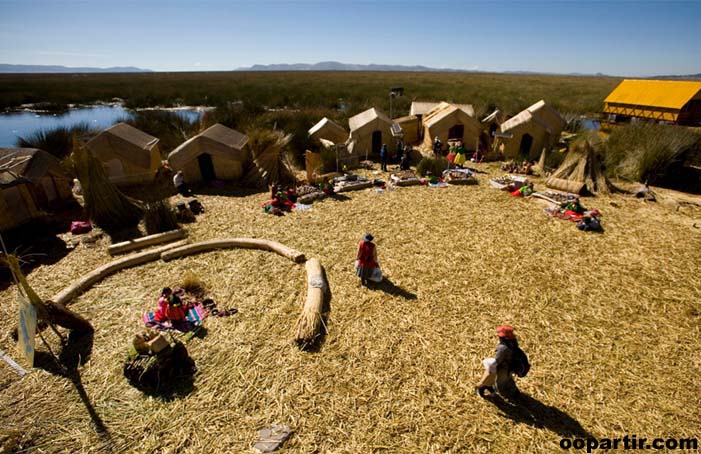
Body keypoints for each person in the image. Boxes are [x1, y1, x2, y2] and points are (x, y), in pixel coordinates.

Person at [475, 324, 525, 399]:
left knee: (500, 384)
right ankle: (514, 392)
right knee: (508, 380)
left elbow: (498, 360)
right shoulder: (513, 343)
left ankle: (509, 395)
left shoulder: (502, 348)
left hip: (504, 368)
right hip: (511, 367)